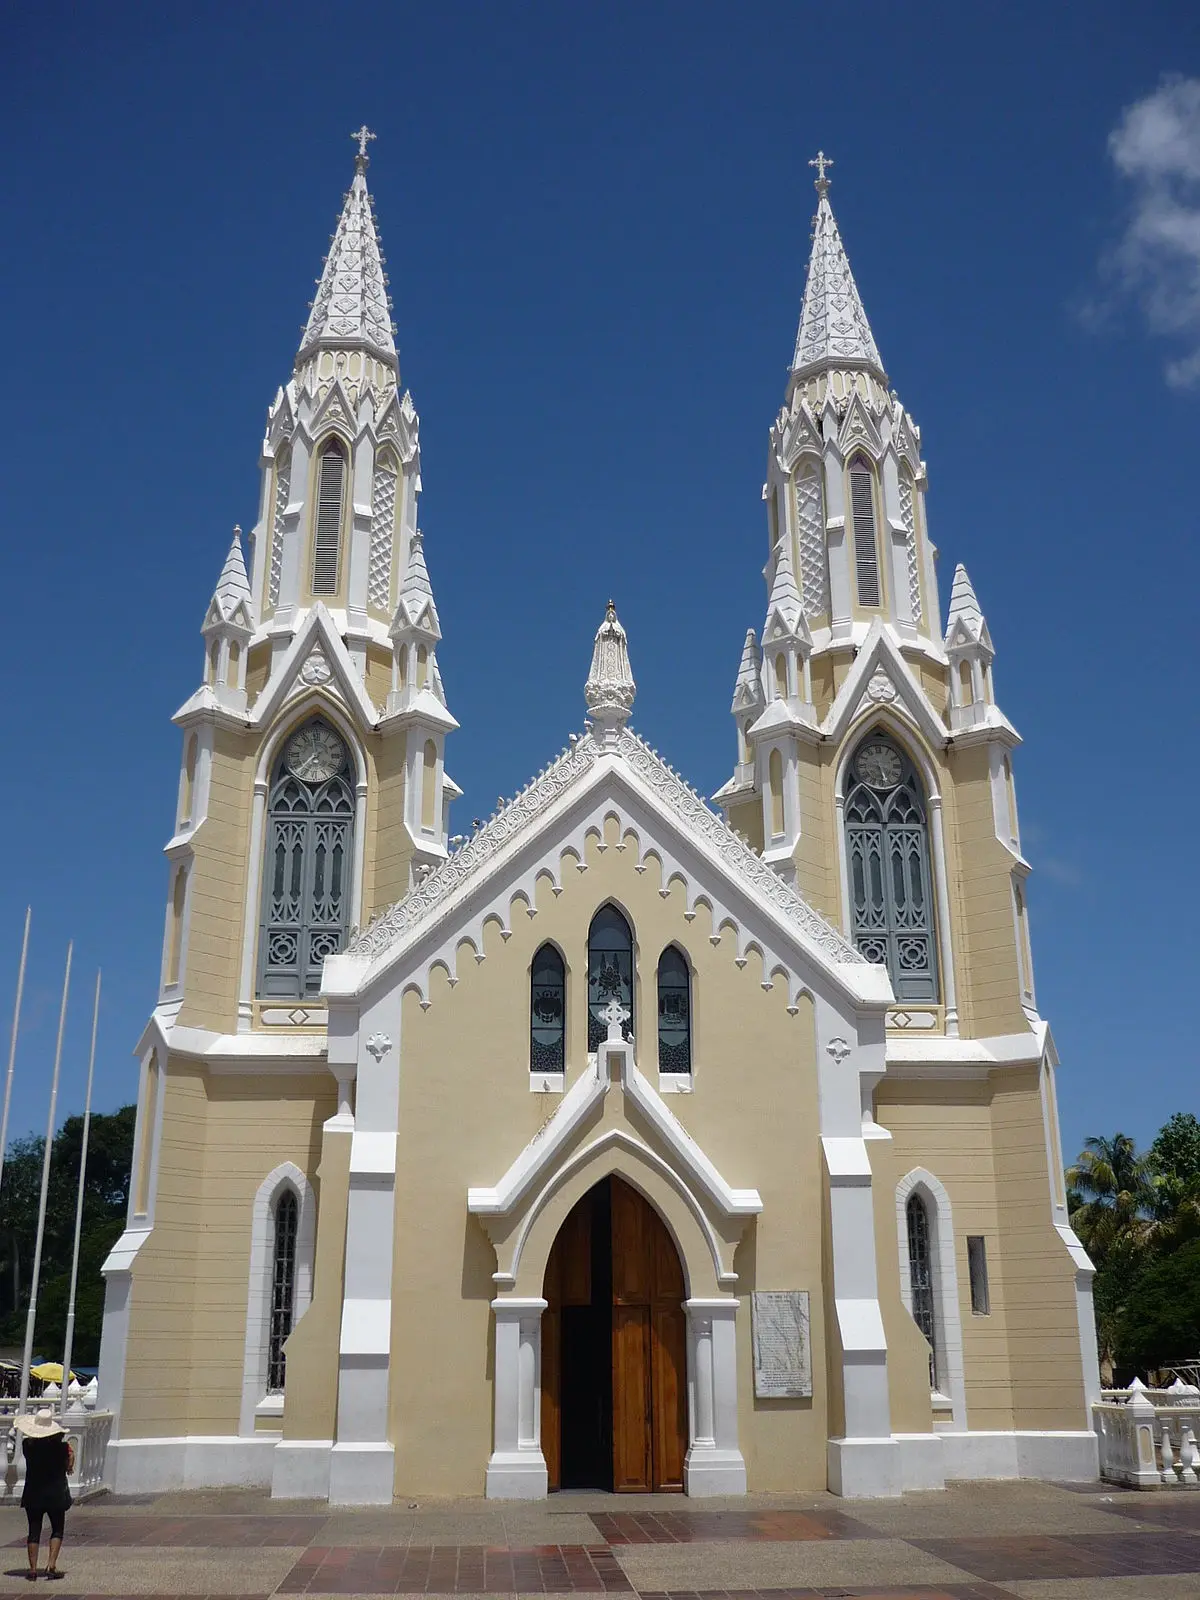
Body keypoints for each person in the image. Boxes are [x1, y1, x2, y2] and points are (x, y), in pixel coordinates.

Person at [14, 1409, 73, 1581]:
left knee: (34, 1530)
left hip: (34, 1492)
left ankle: (32, 1569)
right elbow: (69, 1463)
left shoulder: (28, 1447)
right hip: (56, 1492)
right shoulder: (63, 1448)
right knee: (57, 1529)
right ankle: (51, 1564)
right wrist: (69, 1465)